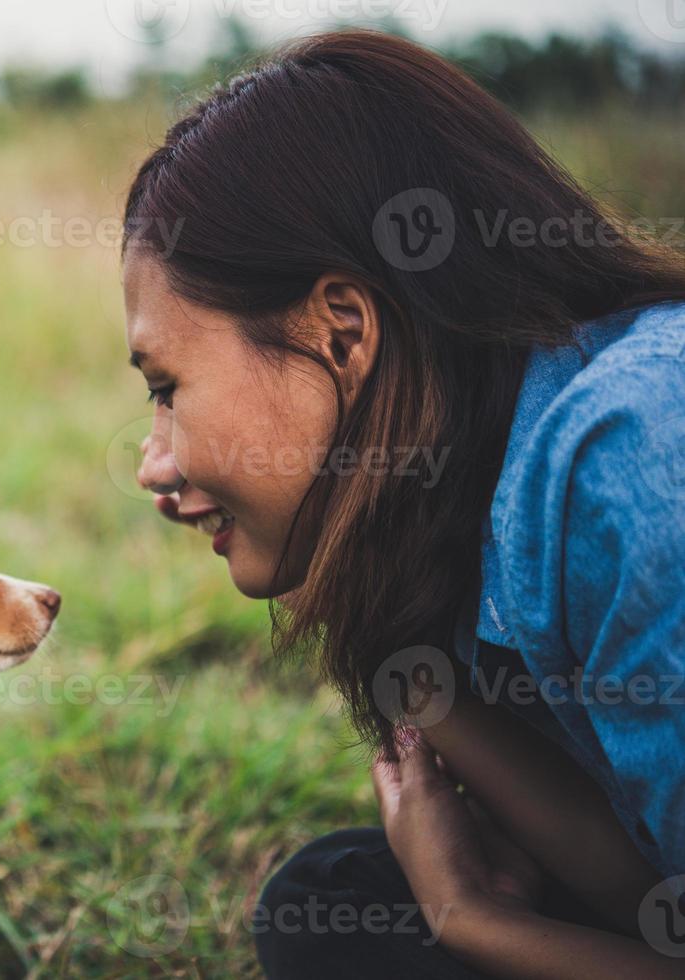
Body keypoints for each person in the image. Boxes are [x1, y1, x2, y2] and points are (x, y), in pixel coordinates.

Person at [120, 29, 685, 978]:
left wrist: (485, 927)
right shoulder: (467, 480)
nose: (152, 465)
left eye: (165, 387)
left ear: (340, 332)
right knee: (329, 904)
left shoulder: (625, 452)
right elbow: (648, 890)